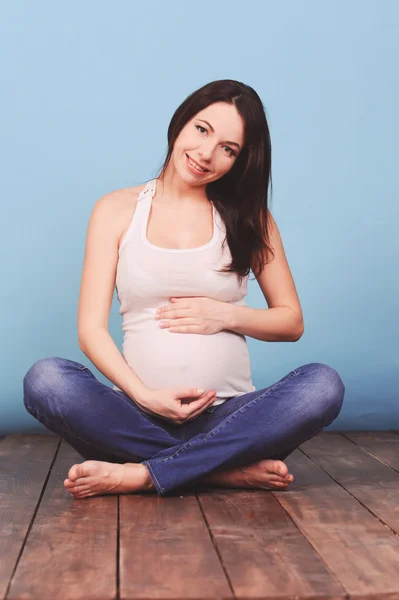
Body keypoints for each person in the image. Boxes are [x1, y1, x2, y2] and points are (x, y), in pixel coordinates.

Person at [23, 79, 345, 498]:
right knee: (46, 379)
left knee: (322, 386)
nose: (207, 154)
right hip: (135, 415)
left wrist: (226, 315)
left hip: (231, 419)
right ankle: (217, 471)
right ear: (181, 121)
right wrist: (145, 396)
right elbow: (91, 331)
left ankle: (144, 473)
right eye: (202, 129)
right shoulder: (116, 209)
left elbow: (291, 321)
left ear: (240, 160)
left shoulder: (251, 219)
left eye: (228, 148)